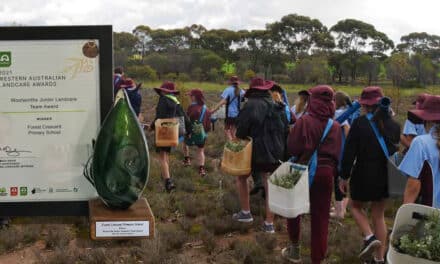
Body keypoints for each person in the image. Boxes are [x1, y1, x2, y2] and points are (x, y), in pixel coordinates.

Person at [339, 87, 401, 264]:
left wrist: (343, 176)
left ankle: (369, 237)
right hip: (386, 176)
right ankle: (380, 259)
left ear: (365, 105)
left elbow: (349, 153)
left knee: (354, 206)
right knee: (379, 216)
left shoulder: (359, 123)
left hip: (364, 174)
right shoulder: (394, 125)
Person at [282, 85, 342, 264]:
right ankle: (317, 259)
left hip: (302, 169)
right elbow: (338, 155)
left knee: (293, 210)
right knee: (321, 217)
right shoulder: (336, 126)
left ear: (312, 101)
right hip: (326, 174)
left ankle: (294, 250)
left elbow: (292, 147)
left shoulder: (304, 121)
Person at [233, 77, 289, 234]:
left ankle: (245, 213)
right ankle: (269, 223)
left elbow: (241, 131)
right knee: (269, 183)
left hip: (256, 150)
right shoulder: (279, 105)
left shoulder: (250, 105)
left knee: (242, 177)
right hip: (277, 151)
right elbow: (286, 130)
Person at [250, 83, 291, 197]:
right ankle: (274, 198)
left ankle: (262, 187)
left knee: (260, 168)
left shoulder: (264, 108)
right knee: (275, 172)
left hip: (265, 145)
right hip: (279, 146)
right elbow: (288, 126)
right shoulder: (284, 108)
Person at [400, 95, 440, 208]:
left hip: (432, 215)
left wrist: (405, 211)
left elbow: (414, 183)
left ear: (426, 119)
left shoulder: (421, 143)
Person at [151, 81, 191, 192]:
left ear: (164, 91)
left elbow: (159, 117)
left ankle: (168, 182)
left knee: (162, 157)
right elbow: (185, 116)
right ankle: (167, 176)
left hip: (163, 130)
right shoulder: (176, 102)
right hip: (172, 130)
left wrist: (151, 126)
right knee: (166, 154)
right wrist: (189, 130)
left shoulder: (163, 100)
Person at [182, 89, 212, 177]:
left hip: (191, 132)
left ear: (195, 97)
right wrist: (205, 133)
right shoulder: (205, 108)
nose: (190, 97)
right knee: (201, 150)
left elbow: (187, 120)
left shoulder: (192, 107)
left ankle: (187, 160)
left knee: (184, 144)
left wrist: (187, 131)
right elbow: (208, 122)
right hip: (202, 133)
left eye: (191, 96)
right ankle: (201, 169)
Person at [331, 91, 351, 219]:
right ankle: (342, 208)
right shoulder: (349, 112)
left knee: (337, 180)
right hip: (344, 152)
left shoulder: (338, 114)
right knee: (344, 179)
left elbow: (347, 130)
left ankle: (339, 212)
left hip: (339, 150)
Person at [211, 76, 245, 140]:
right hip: (238, 114)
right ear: (238, 82)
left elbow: (223, 102)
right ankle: (235, 145)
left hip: (229, 114)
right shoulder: (242, 91)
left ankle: (231, 143)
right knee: (233, 131)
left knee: (226, 130)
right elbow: (243, 101)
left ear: (230, 82)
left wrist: (213, 110)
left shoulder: (228, 90)